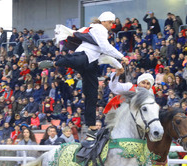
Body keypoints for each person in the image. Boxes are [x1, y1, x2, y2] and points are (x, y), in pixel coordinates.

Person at [39, 11, 128, 139]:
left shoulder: (99, 31)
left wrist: (119, 66)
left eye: (112, 23)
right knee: (76, 60)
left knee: (92, 94)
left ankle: (91, 126)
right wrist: (121, 57)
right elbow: (105, 48)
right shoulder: (98, 28)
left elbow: (105, 54)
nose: (111, 25)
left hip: (92, 63)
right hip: (85, 55)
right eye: (110, 22)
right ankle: (54, 63)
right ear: (103, 21)